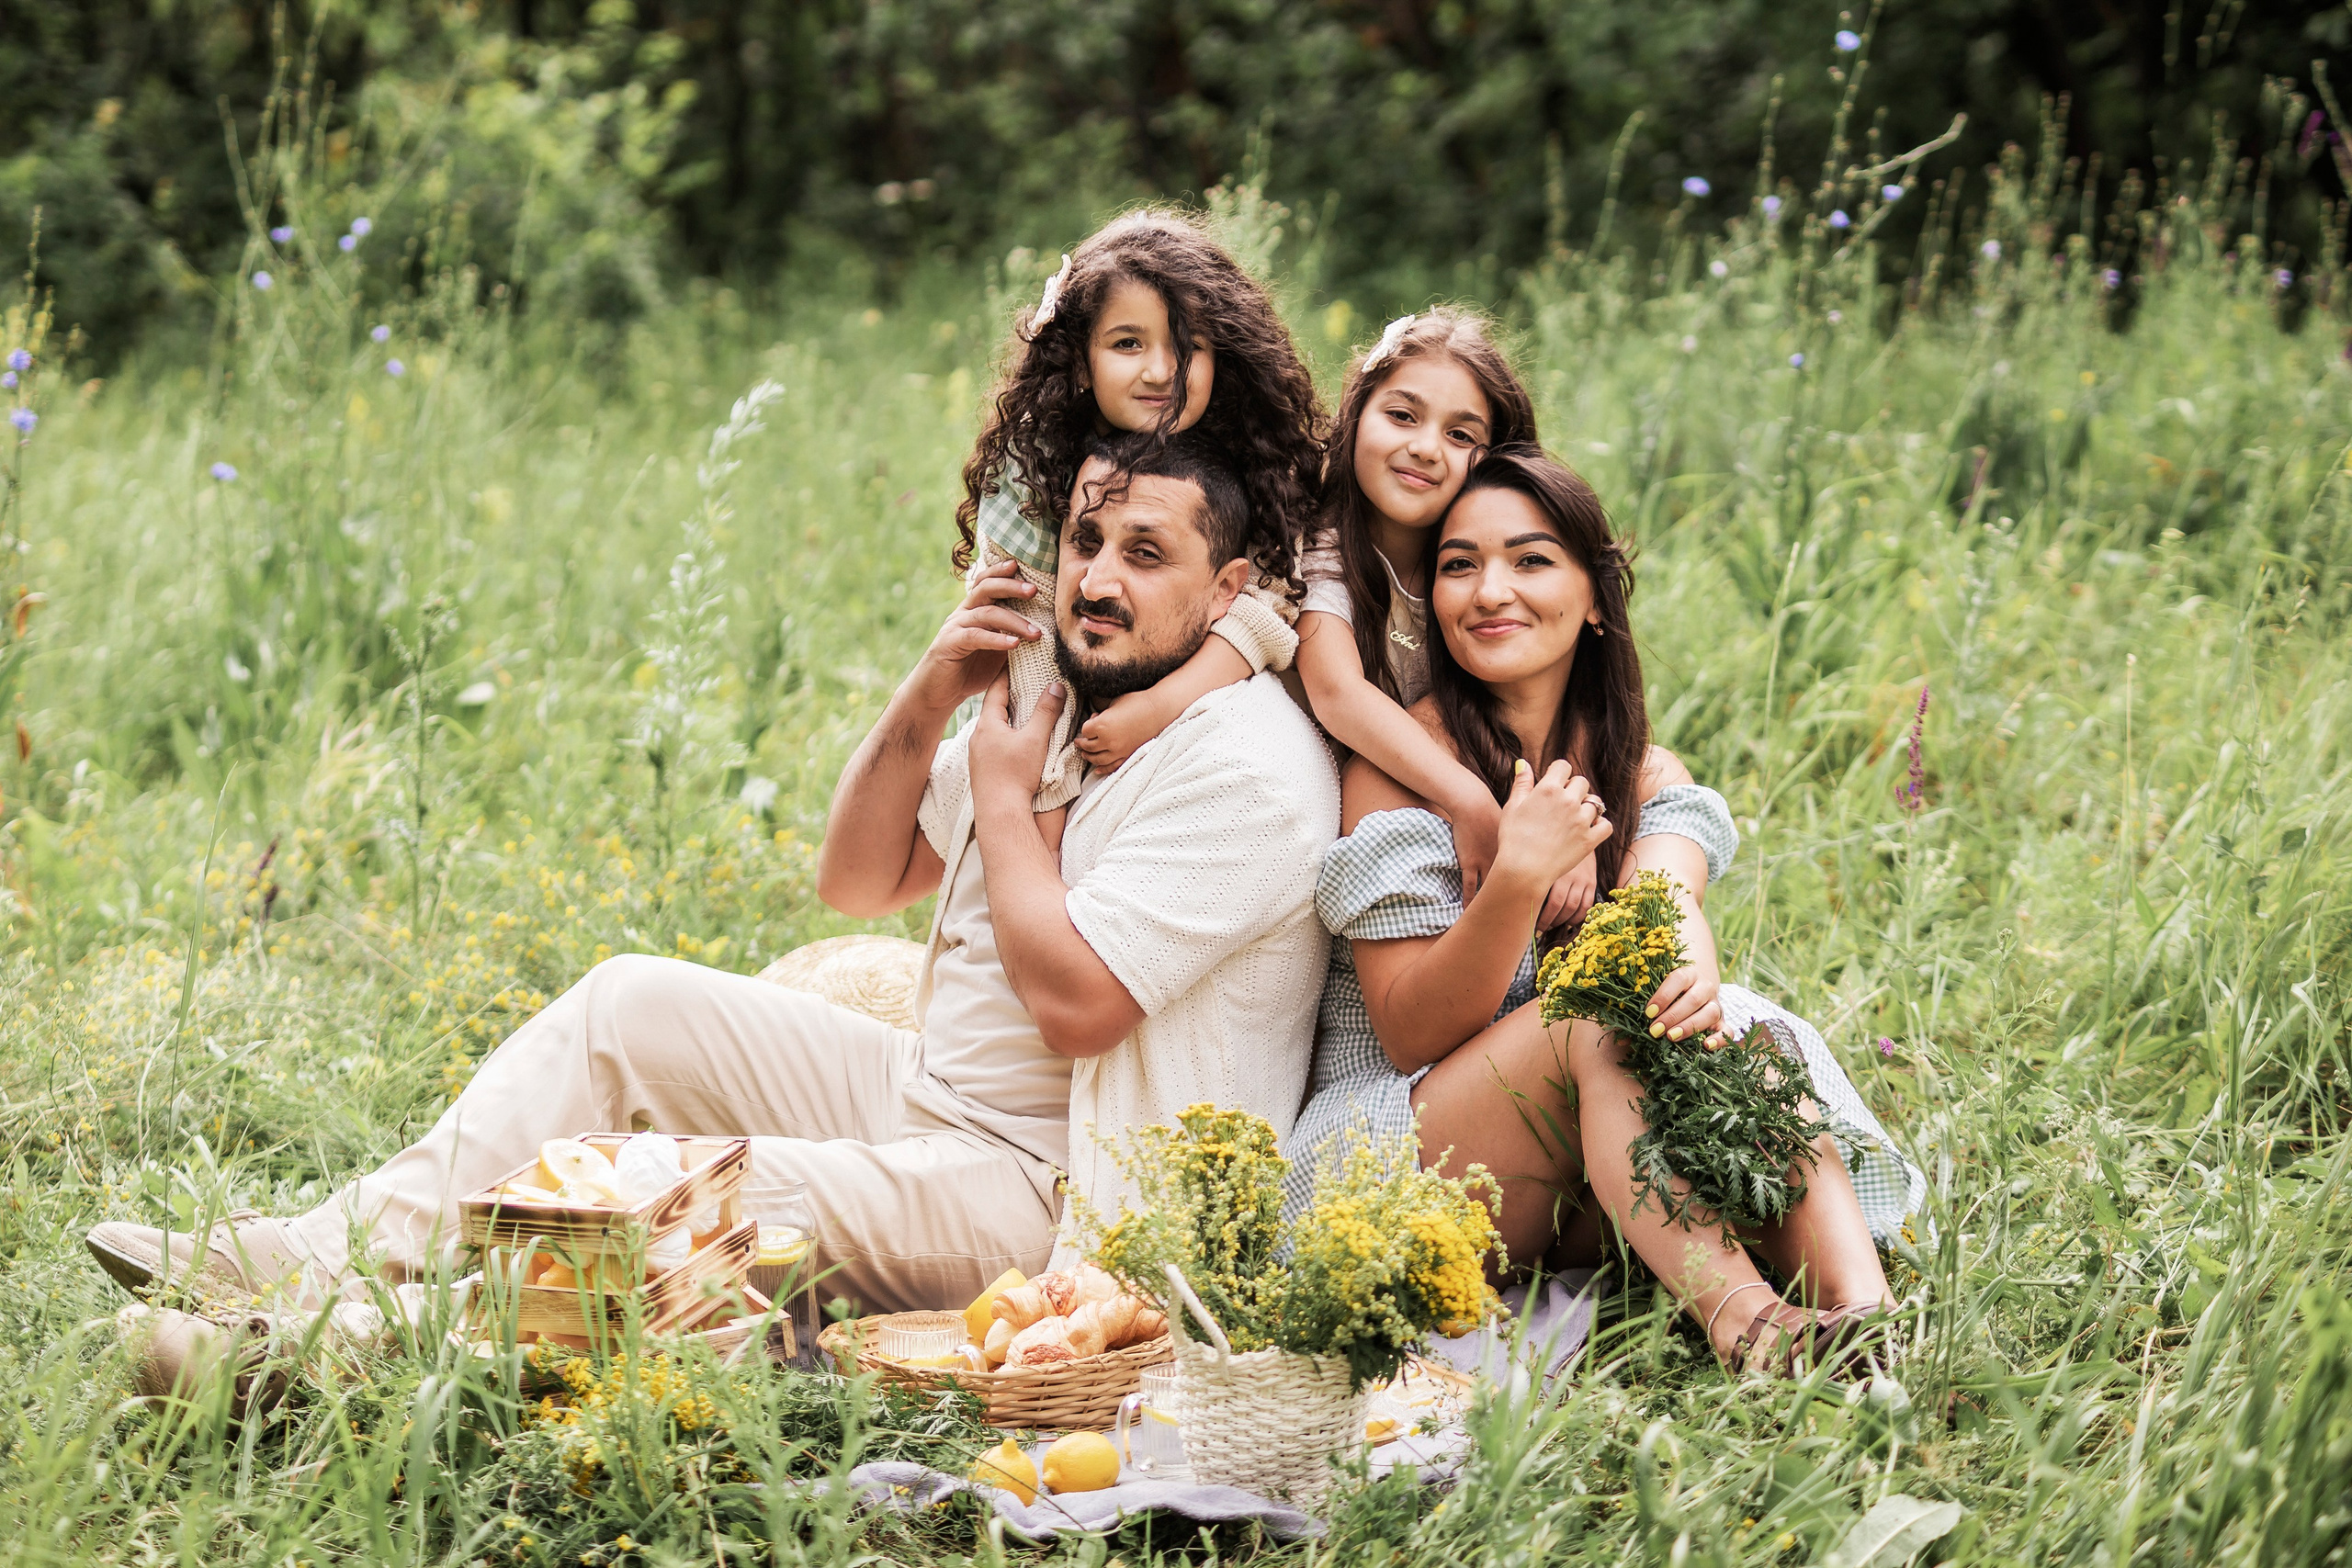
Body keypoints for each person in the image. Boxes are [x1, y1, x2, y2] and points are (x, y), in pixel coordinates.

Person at [86, 434, 1338, 1317]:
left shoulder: (1243, 765)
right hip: (927, 1099)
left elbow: (1077, 1005)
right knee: (630, 1002)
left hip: (1060, 1195)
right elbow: (856, 880)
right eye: (1086, 540)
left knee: (694, 1189)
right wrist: (929, 691)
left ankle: (355, 1340)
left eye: (1145, 551)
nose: (1099, 577)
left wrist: (1006, 803)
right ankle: (314, 1251)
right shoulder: (1068, 698)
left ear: (1228, 587)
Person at [1282, 445, 1924, 1376]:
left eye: (1530, 559)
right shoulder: (1397, 768)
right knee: (1594, 1019)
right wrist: (1515, 876)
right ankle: (1750, 1326)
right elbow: (1408, 1028)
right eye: (1459, 565)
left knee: (1739, 1034)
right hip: (1394, 1163)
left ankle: (1870, 1326)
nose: (1490, 589)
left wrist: (1685, 974)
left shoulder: (1638, 768)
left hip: (1573, 1176)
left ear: (1593, 597)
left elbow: (1668, 898)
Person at [956, 209, 1326, 799]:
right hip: (1034, 734)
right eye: (1128, 343)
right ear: (1080, 361)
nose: (1161, 371)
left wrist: (1158, 708)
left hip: (1182, 715)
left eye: (1188, 346)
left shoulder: (1256, 456)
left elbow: (1263, 611)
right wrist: (1047, 794)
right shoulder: (1031, 462)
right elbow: (1028, 642)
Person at [1286, 308, 1592, 931]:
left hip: (1423, 801)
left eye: (1461, 435)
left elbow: (1562, 685)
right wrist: (1468, 800)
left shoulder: (1483, 574)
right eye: (1402, 415)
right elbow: (1337, 692)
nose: (1425, 448)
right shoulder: (1326, 545)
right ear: (1356, 416)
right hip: (1323, 815)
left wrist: (1576, 813)